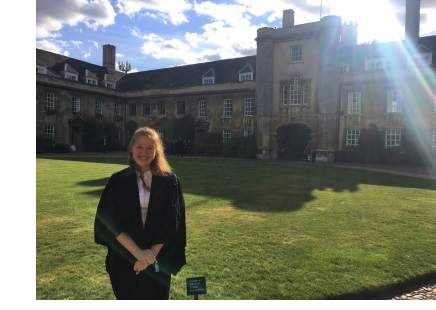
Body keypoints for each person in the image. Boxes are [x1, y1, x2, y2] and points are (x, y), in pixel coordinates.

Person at [94, 126, 187, 300]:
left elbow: (171, 221)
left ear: (157, 151)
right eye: (139, 147)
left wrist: (147, 258)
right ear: (131, 148)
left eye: (149, 148)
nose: (144, 152)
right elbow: (108, 221)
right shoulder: (118, 180)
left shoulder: (169, 181)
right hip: (124, 257)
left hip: (157, 258)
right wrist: (138, 253)